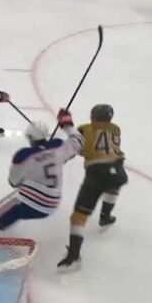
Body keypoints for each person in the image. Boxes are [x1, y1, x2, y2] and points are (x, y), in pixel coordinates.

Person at [0, 110, 81, 261]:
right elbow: (78, 141)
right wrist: (66, 123)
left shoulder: (24, 155)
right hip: (52, 203)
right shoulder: (58, 147)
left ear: (30, 138)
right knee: (11, 204)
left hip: (32, 203)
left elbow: (14, 182)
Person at [57, 104, 127, 272]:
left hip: (97, 173)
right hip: (118, 170)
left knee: (79, 216)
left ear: (93, 116)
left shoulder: (85, 128)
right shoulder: (116, 129)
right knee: (112, 187)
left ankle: (74, 256)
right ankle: (105, 216)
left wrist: (65, 120)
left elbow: (76, 143)